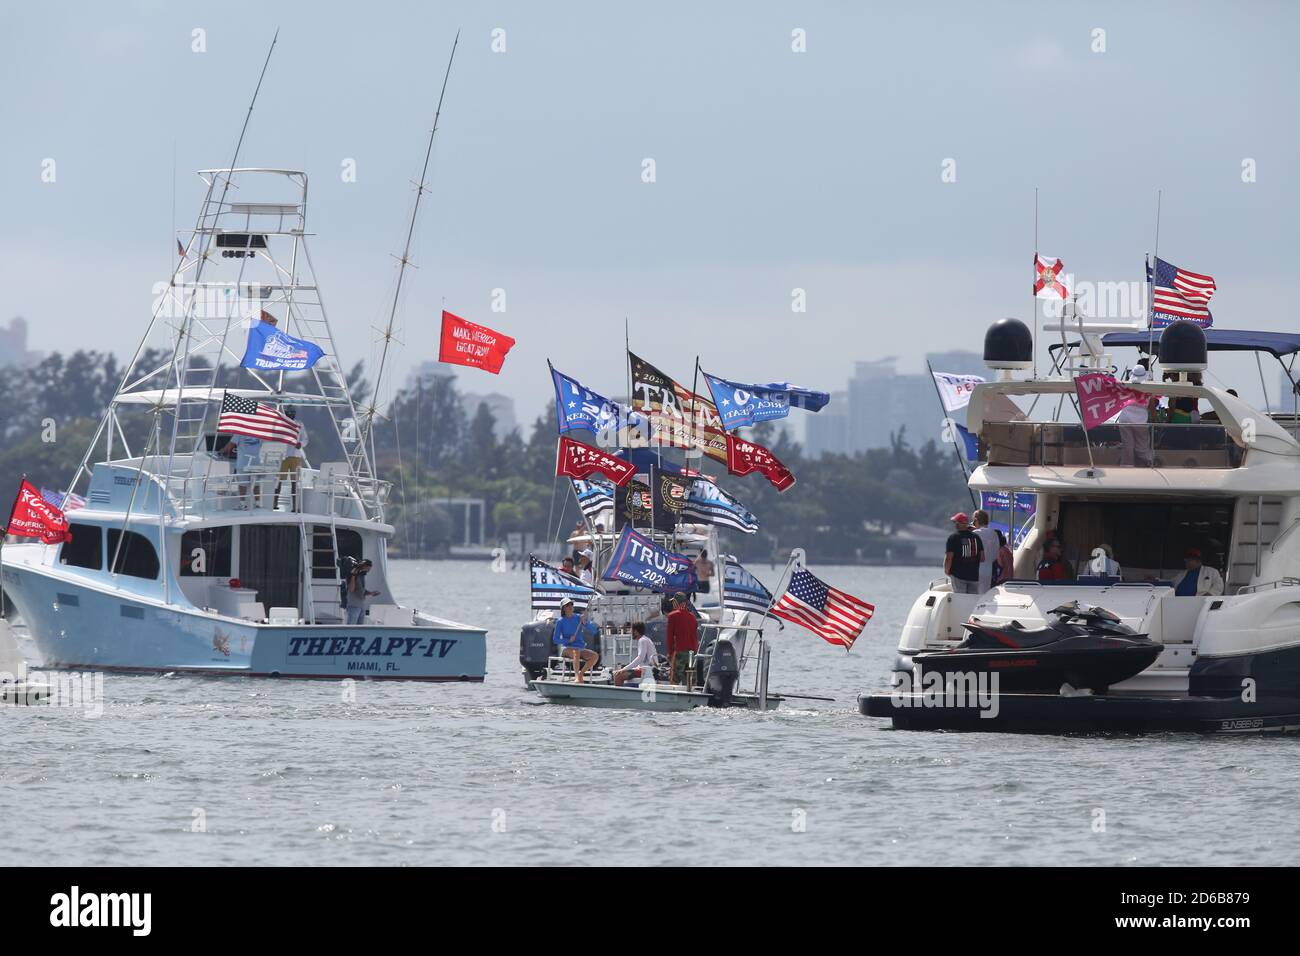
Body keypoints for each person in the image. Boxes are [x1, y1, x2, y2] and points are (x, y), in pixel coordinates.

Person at [552, 597, 599, 682]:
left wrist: (585, 623)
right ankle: (577, 676)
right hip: (567, 649)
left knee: (595, 656)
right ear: (563, 608)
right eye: (567, 605)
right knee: (576, 652)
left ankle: (581, 674)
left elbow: (594, 631)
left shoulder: (579, 618)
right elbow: (555, 639)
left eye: (571, 604)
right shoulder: (560, 621)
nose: (570, 606)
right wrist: (568, 640)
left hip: (580, 648)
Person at [1117, 363, 1155, 466]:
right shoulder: (1148, 389)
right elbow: (1151, 407)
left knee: (1128, 446)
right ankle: (1144, 465)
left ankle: (1127, 466)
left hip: (1125, 419)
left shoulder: (1126, 386)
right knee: (1142, 446)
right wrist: (1155, 419)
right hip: (1140, 421)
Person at [275, 406, 309, 512]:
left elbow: (306, 439)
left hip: (295, 456)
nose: (291, 415)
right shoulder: (281, 424)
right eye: (289, 413)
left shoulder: (299, 424)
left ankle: (294, 506)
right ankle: (274, 503)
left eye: (292, 413)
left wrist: (301, 444)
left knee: (294, 482)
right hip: (283, 456)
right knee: (279, 481)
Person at [943, 512, 984, 594]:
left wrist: (947, 571)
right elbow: (982, 558)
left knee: (960, 599)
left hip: (958, 576)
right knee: (972, 601)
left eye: (955, 522)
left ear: (959, 524)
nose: (955, 524)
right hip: (974, 576)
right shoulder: (976, 537)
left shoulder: (953, 538)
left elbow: (949, 558)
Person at [666, 591, 699, 686]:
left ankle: (672, 700)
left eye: (674, 601)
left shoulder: (672, 616)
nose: (672, 604)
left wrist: (670, 653)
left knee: (674, 681)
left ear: (677, 602)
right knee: (691, 682)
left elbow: (670, 637)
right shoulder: (692, 617)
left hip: (679, 652)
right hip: (692, 653)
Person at [614, 621, 658, 686]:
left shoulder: (642, 640)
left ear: (636, 631)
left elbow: (640, 658)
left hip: (646, 671)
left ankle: (618, 696)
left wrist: (624, 669)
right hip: (648, 669)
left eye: (631, 630)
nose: (631, 632)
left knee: (618, 676)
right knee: (620, 673)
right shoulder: (645, 639)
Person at [971, 510, 1001, 593]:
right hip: (988, 568)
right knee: (985, 593)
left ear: (976, 520)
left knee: (975, 594)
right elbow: (996, 553)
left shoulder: (975, 534)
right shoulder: (994, 533)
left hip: (976, 569)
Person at [232, 433, 263, 508]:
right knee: (256, 484)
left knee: (242, 484)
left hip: (243, 462)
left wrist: (222, 451)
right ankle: (257, 503)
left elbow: (230, 445)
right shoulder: (259, 433)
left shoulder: (239, 433)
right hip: (256, 461)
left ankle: (243, 504)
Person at [346, 559, 379, 624]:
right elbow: (351, 589)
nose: (368, 571)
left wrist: (371, 593)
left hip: (361, 607)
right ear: (364, 566)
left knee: (359, 629)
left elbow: (361, 590)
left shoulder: (361, 575)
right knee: (350, 628)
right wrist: (353, 576)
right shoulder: (353, 575)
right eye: (368, 569)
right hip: (354, 606)